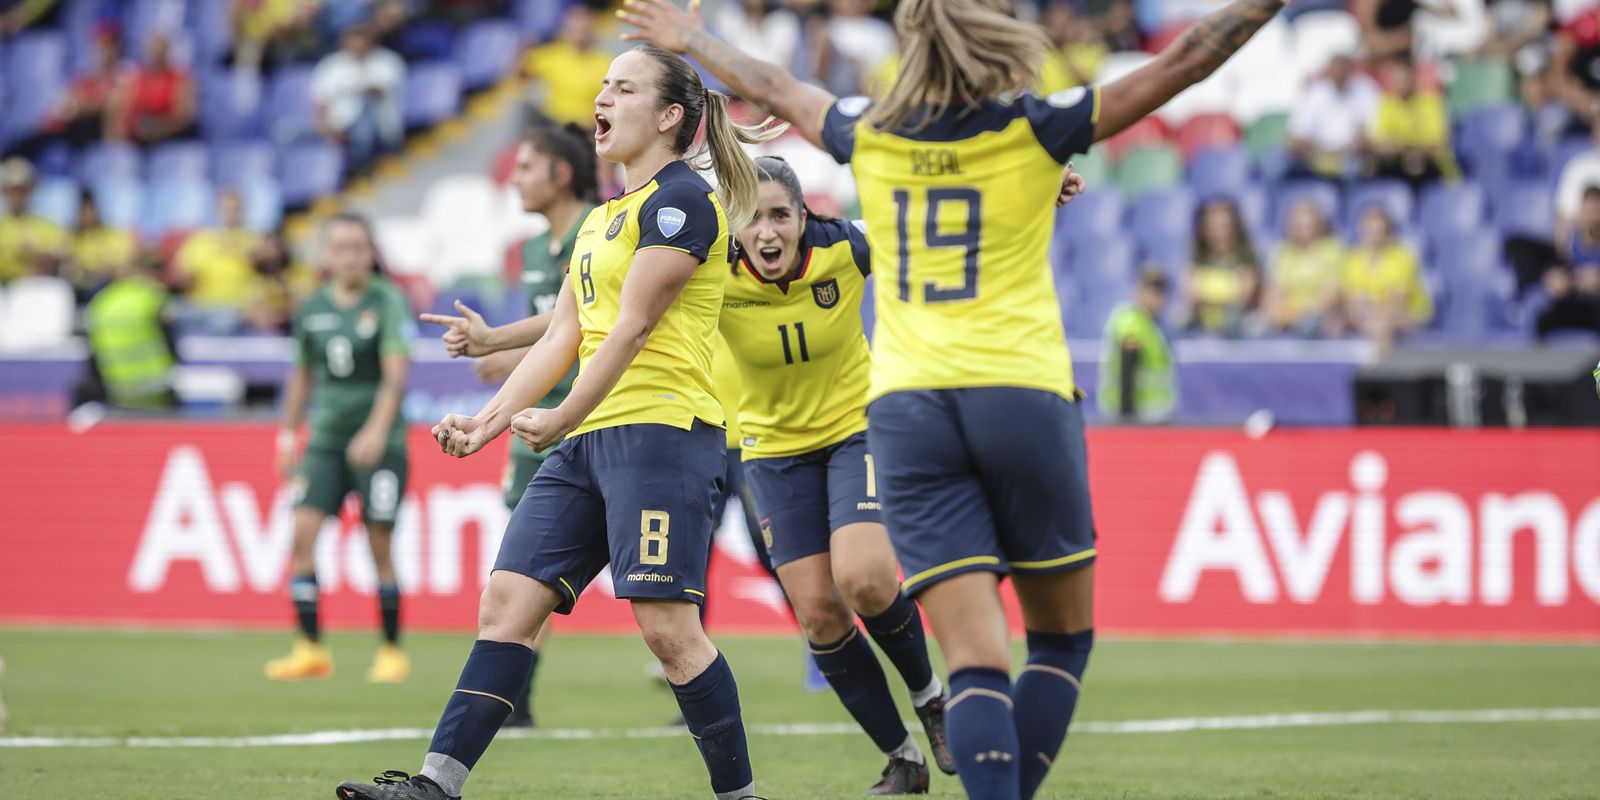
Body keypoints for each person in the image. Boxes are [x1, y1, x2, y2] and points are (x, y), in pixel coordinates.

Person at [620, 0, 1290, 796]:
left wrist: (688, 39)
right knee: (1057, 645)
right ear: (1002, 40)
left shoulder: (870, 132)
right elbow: (1184, 63)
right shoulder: (1040, 126)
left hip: (908, 413)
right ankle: (924, 744)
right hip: (1018, 393)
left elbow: (776, 85)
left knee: (971, 658)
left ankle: (931, 731)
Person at [334, 42, 781, 800]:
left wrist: (562, 413)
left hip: (662, 436)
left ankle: (740, 797)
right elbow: (564, 336)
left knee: (670, 633)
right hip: (590, 439)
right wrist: (489, 421)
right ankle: (434, 787)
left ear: (671, 116)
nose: (601, 100)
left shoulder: (681, 202)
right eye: (602, 85)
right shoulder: (602, 220)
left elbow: (635, 326)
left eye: (624, 88)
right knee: (506, 603)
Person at [722, 155, 952, 794]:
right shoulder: (707, 268)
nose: (766, 232)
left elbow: (935, 235)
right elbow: (612, 310)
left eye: (780, 215)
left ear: (803, 216)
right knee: (820, 614)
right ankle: (903, 757)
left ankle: (932, 698)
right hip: (771, 453)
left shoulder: (846, 247)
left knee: (866, 578)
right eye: (751, 218)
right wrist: (505, 343)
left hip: (857, 430)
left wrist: (1040, 191)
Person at [419, 122, 601, 729]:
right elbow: (555, 333)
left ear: (562, 173)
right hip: (529, 420)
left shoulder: (595, 233)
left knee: (553, 568)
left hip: (587, 419)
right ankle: (516, 694)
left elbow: (588, 322)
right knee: (527, 567)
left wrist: (500, 345)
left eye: (526, 167)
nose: (515, 178)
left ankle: (513, 694)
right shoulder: (528, 250)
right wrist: (503, 357)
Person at [266, 213, 415, 684]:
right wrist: (289, 435)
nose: (350, 256)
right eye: (341, 247)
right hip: (326, 440)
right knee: (302, 537)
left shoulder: (387, 301)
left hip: (380, 442)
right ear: (326, 255)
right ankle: (309, 648)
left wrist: (374, 431)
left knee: (379, 545)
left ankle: (391, 651)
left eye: (358, 247)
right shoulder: (313, 307)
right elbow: (302, 374)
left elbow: (394, 377)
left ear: (371, 253)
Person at [83, 251, 177, 411]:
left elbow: (92, 346)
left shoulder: (102, 300)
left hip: (116, 384)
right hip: (155, 384)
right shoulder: (151, 297)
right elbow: (170, 338)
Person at [312, 23, 406, 175]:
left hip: (379, 128)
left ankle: (360, 169)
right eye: (352, 44)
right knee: (288, 134)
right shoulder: (330, 65)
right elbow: (320, 101)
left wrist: (359, 85)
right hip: (338, 125)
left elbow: (378, 90)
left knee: (364, 117)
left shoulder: (388, 61)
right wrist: (327, 127)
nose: (357, 48)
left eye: (361, 44)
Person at [1340, 205, 1433, 355]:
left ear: (1388, 233)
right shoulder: (1354, 259)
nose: (1374, 236)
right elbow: (1352, 298)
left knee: (1381, 326)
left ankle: (1380, 372)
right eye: (1370, 231)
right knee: (1336, 323)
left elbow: (1397, 302)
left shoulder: (1402, 257)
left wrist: (1369, 312)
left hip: (1408, 314)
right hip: (1367, 314)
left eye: (1380, 231)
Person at [171, 187, 261, 331]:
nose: (231, 213)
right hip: (200, 305)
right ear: (217, 209)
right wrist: (186, 278)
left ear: (243, 209)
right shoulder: (201, 239)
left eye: (235, 208)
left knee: (225, 321)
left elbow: (265, 271)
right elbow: (182, 274)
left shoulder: (255, 239)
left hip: (236, 305)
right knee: (169, 312)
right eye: (227, 208)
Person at [1367, 56, 1458, 189]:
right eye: (1397, 79)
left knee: (1415, 162)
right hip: (1399, 161)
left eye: (1405, 79)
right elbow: (1379, 142)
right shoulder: (1386, 104)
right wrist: (1407, 147)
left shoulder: (1431, 102)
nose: (1402, 83)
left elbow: (1437, 142)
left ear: (1413, 78)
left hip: (1433, 166)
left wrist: (1404, 146)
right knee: (1371, 165)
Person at [1098, 269, 1176, 424]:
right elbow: (1127, 369)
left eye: (1159, 293)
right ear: (1138, 291)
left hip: (1152, 416)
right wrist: (1127, 418)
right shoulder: (1132, 322)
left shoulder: (1152, 324)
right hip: (1135, 417)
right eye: (1150, 291)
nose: (1155, 298)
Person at [1288, 54, 1380, 179]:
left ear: (1351, 70)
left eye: (1344, 70)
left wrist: (1354, 146)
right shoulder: (1317, 93)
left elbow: (1373, 133)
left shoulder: (1364, 90)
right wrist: (1318, 151)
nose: (1340, 75)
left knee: (1357, 167)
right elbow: (1297, 135)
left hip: (1351, 156)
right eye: (1336, 71)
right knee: (1277, 162)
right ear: (1329, 71)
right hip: (1317, 155)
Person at [523, 5, 613, 130]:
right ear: (565, 30)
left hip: (586, 126)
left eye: (585, 30)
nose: (580, 35)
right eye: (576, 29)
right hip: (552, 121)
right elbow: (521, 72)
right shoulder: (551, 55)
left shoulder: (603, 61)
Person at [1264, 198, 1344, 336]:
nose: (1305, 231)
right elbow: (1274, 292)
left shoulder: (1331, 250)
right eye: (1299, 226)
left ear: (1319, 225)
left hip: (1320, 317)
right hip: (1288, 316)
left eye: (1309, 226)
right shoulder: (1282, 252)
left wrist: (1305, 314)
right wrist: (1290, 314)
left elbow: (1332, 295)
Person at [1183, 197, 1260, 337]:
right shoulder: (1198, 259)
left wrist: (1208, 297)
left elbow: (1244, 295)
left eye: (1224, 226)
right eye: (1213, 227)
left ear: (1234, 227)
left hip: (1237, 323)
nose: (1219, 233)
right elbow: (1192, 294)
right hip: (1203, 321)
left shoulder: (1245, 259)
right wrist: (1227, 295)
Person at [106, 33, 195, 147]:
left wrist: (155, 127)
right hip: (138, 140)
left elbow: (183, 118)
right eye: (152, 50)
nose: (155, 55)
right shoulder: (136, 79)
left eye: (160, 51)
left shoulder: (180, 79)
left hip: (170, 141)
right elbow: (122, 115)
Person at [0, 157, 68, 283]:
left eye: (22, 190)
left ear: (31, 190)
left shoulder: (46, 226)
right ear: (4, 190)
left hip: (38, 286)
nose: (17, 195)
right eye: (12, 190)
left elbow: (59, 258)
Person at [67, 190, 138, 296]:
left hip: (110, 285)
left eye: (90, 209)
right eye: (83, 210)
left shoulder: (114, 235)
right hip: (83, 289)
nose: (87, 215)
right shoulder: (72, 238)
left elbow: (124, 265)